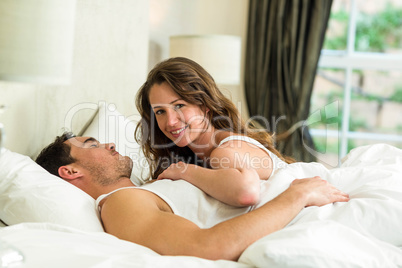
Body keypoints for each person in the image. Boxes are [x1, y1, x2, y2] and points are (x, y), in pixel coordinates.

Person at [35, 132, 349, 261]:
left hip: (313, 197)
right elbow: (208, 246)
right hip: (305, 210)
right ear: (71, 172)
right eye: (91, 145)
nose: (110, 145)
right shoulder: (120, 204)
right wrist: (297, 195)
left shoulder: (143, 191)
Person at [135, 57, 294, 207]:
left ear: (205, 106)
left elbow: (247, 193)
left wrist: (185, 170)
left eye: (179, 106)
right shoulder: (194, 156)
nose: (170, 121)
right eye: (160, 111)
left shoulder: (224, 152)